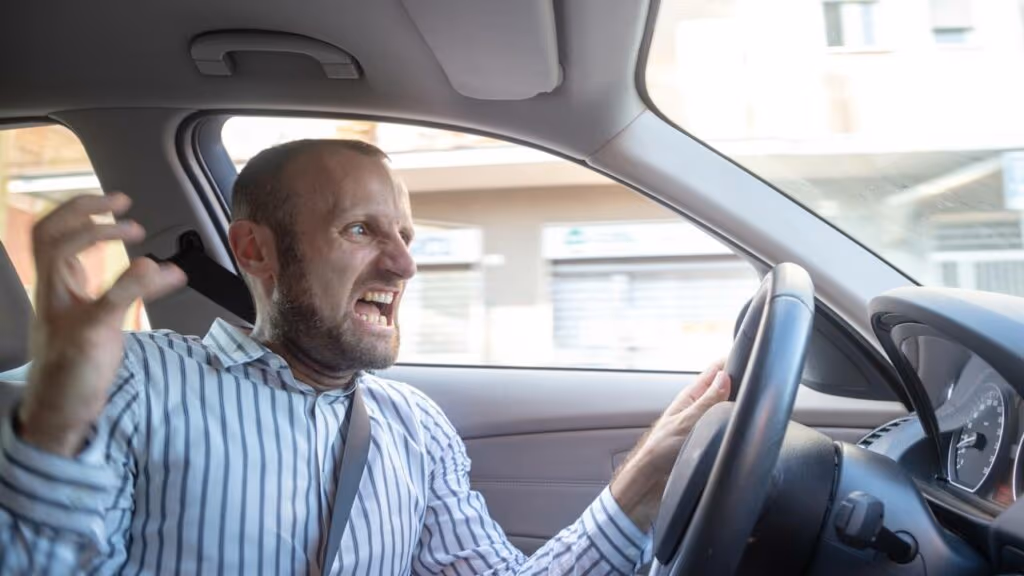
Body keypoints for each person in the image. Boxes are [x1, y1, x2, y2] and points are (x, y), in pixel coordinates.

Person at [0, 139, 731, 575]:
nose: (404, 266)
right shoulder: (129, 378)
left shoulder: (412, 425)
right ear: (256, 250)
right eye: (360, 230)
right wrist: (55, 432)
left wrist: (643, 479)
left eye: (407, 235)